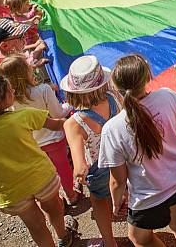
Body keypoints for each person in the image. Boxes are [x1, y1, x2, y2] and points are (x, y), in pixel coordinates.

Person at [0, 75, 76, 247]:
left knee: (36, 227)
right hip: (41, 178)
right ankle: (64, 236)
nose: (13, 91)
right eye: (9, 90)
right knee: (54, 209)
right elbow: (56, 125)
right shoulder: (24, 116)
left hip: (10, 193)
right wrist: (77, 122)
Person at [98, 54, 176, 247]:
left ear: (116, 88)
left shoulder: (112, 128)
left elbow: (117, 180)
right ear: (148, 77)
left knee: (138, 238)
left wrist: (117, 203)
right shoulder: (167, 95)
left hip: (149, 195)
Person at [0, 55, 77, 206]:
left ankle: (54, 198)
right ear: (26, 73)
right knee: (63, 168)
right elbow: (58, 114)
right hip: (54, 139)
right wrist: (69, 105)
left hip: (32, 144)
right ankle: (71, 195)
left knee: (45, 175)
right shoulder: (43, 90)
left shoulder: (8, 102)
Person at [61, 55, 120, 247]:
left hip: (100, 168)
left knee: (99, 200)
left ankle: (110, 243)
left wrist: (80, 175)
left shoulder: (74, 124)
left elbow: (79, 166)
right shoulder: (114, 97)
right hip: (124, 157)